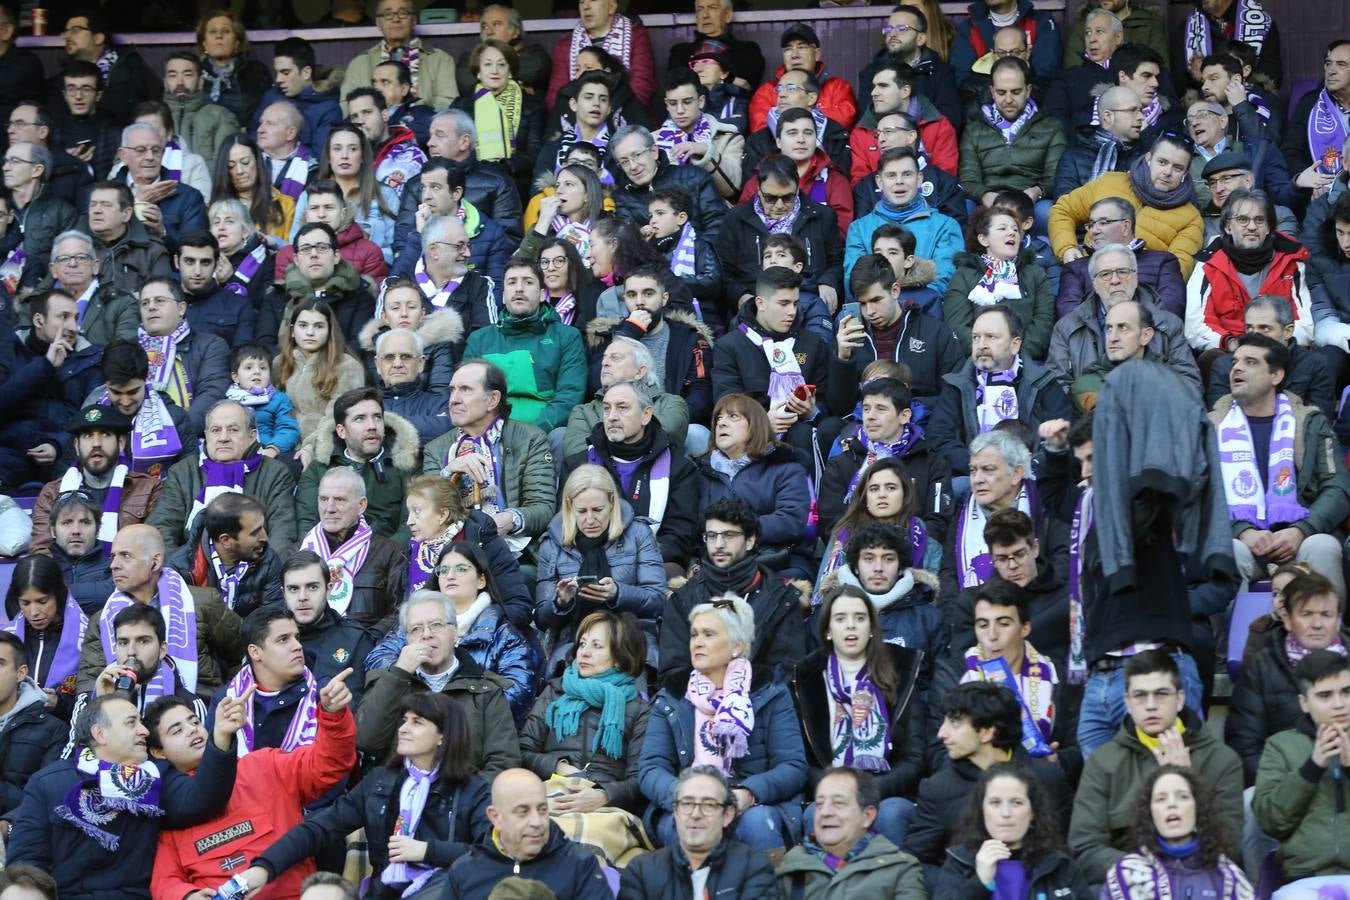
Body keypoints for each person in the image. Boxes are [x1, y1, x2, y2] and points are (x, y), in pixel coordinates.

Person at [246, 691, 491, 899]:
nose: (403, 729)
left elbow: (493, 853)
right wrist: (264, 867)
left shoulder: (473, 789)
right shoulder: (381, 781)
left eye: (417, 722)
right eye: (404, 721)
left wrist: (427, 851)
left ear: (443, 736)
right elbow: (319, 829)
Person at [3, 689, 243, 898]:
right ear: (100, 734)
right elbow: (26, 862)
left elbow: (201, 800)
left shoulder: (156, 775)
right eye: (131, 723)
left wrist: (220, 738)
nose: (144, 731)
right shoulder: (48, 782)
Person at [147, 663, 357, 899]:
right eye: (177, 731)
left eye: (195, 722)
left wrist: (332, 715)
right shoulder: (166, 806)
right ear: (158, 752)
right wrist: (187, 895)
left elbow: (328, 767)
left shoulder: (263, 765)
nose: (192, 731)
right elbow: (164, 881)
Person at [640, 595, 808, 850]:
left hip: (751, 802)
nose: (697, 642)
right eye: (694, 634)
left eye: (708, 634)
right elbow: (651, 768)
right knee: (682, 823)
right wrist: (688, 796)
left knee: (757, 823)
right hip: (687, 797)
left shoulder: (770, 692)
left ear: (737, 646)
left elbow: (793, 766)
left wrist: (748, 793)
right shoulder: (672, 695)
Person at [1069, 649, 1243, 882]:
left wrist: (1188, 783)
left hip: (1199, 882)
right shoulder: (1103, 762)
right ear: (1127, 703)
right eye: (1140, 695)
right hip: (1129, 885)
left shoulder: (1222, 759)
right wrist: (1144, 871)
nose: (1150, 705)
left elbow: (1228, 847)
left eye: (1161, 694)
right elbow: (1085, 848)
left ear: (1180, 699)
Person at [1208, 333, 1349, 601]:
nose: (1236, 367)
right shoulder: (1210, 427)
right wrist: (1241, 531)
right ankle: (1228, 642)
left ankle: (1329, 642)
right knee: (1228, 551)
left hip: (1300, 536)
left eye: (1250, 362)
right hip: (1240, 539)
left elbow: (1338, 487)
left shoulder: (1310, 423)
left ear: (1276, 376)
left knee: (1322, 546)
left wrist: (1302, 530)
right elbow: (1197, 495)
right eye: (1235, 361)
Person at [786, 585, 926, 849]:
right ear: (828, 630)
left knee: (890, 814)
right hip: (828, 791)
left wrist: (872, 790)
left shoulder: (902, 669)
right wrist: (838, 791)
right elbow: (799, 759)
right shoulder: (804, 678)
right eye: (841, 619)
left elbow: (915, 757)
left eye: (859, 618)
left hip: (888, 793)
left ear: (872, 627)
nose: (851, 626)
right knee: (813, 814)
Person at [356, 589, 522, 777]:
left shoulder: (486, 691)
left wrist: (460, 798)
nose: (426, 634)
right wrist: (399, 673)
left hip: (464, 799)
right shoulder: (390, 681)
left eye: (436, 625)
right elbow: (366, 741)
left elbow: (503, 763)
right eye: (416, 629)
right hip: (399, 796)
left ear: (455, 632)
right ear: (407, 639)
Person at [903, 681, 1066, 869]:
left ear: (987, 732)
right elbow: (916, 863)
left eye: (954, 723)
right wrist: (955, 884)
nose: (941, 733)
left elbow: (1064, 848)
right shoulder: (938, 789)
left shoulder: (1047, 777)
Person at [77, 522, 243, 699]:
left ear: (155, 562)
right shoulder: (101, 620)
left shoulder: (203, 602)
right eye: (113, 557)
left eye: (125, 556)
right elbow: (89, 686)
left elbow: (243, 653)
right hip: (128, 719)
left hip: (198, 718)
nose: (114, 565)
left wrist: (227, 698)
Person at [535, 462, 666, 672]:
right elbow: (542, 617)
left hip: (631, 638)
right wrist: (561, 602)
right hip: (575, 643)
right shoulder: (552, 543)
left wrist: (617, 594)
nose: (590, 520)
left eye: (597, 510)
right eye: (581, 511)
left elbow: (658, 601)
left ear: (612, 502)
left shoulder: (639, 533)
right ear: (569, 507)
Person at [422, 360, 558, 553]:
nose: (453, 399)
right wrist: (448, 472)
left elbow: (543, 508)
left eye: (466, 390)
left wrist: (508, 520)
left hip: (514, 551)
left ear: (493, 400)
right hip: (452, 552)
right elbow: (425, 513)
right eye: (452, 390)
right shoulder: (435, 449)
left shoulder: (530, 439)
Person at [928, 306, 1073, 476]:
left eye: (991, 337)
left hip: (1030, 477)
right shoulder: (957, 384)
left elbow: (1064, 436)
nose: (981, 345)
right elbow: (939, 440)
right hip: (973, 478)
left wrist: (1022, 469)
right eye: (976, 338)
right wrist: (982, 467)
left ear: (1015, 345)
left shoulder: (1043, 382)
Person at [1252, 650, 1350, 893]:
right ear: (1304, 703)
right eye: (1325, 695)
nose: (1340, 704)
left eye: (1347, 692)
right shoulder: (1280, 746)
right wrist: (1312, 768)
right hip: (1303, 882)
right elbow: (1270, 820)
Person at [145, 400, 299, 555]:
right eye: (216, 430)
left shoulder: (275, 473)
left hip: (254, 567)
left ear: (252, 436)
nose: (223, 437)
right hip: (190, 569)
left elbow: (282, 536)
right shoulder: (183, 471)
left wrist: (260, 574)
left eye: (233, 430)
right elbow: (162, 528)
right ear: (206, 435)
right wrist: (180, 573)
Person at [713, 267, 833, 463]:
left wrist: (811, 411)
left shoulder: (812, 343)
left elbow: (825, 402)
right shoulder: (729, 346)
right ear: (760, 303)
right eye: (783, 303)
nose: (792, 311)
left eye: (795, 303)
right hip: (749, 440)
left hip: (801, 435)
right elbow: (726, 404)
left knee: (803, 432)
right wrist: (762, 423)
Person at [1047, 244, 1200, 397]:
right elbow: (1057, 389)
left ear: (1136, 277)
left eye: (1123, 272)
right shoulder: (1067, 328)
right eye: (1105, 274)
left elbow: (1190, 384)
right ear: (1094, 282)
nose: (1115, 280)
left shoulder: (1168, 325)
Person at [818, 376, 952, 544]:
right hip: (855, 558)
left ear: (904, 416)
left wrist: (896, 549)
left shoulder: (932, 463)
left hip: (917, 557)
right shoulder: (841, 465)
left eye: (881, 409)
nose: (870, 416)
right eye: (866, 409)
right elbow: (832, 526)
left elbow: (938, 523)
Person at [1051, 132, 1204, 279]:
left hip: (1141, 289)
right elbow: (1063, 210)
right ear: (1148, 158)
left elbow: (1175, 272)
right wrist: (1066, 249)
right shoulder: (1111, 182)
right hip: (1086, 274)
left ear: (1185, 174)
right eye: (1162, 162)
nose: (1167, 172)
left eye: (1177, 168)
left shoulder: (1191, 219)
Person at [440, 768, 612, 899]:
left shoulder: (580, 864)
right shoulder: (464, 871)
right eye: (523, 812)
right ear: (495, 817)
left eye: (542, 809)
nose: (536, 822)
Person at [464, 257, 586, 435]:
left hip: (543, 437)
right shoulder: (479, 340)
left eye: (528, 282)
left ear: (543, 294)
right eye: (512, 282)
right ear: (504, 295)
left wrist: (529, 434)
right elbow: (467, 394)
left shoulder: (567, 337)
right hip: (487, 435)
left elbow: (569, 398)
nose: (519, 288)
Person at [697, 394, 813, 577]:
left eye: (733, 416)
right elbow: (694, 527)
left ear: (756, 425)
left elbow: (791, 520)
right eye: (719, 418)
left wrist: (736, 531)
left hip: (777, 562)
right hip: (717, 564)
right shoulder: (701, 472)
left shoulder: (784, 466)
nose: (721, 423)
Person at [1186, 189, 1314, 355]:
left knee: (1313, 360)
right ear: (1227, 227)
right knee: (1212, 359)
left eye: (1260, 220)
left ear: (1269, 227)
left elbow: (1305, 324)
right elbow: (1195, 327)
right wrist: (1231, 343)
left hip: (1279, 349)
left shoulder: (1291, 262)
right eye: (1243, 220)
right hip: (1229, 350)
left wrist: (1269, 344)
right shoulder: (1208, 265)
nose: (1252, 227)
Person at [619, 763, 777, 898]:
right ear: (675, 811)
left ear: (727, 815)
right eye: (687, 804)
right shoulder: (642, 871)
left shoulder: (753, 867)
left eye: (708, 805)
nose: (695, 814)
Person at [0, 290, 105, 490]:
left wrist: (58, 444)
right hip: (9, 453)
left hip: (65, 457)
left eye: (75, 318)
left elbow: (90, 416)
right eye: (63, 317)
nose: (73, 327)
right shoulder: (8, 349)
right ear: (39, 321)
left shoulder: (90, 358)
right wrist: (45, 365)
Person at [934, 762, 1088, 896]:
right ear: (981, 810)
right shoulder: (959, 862)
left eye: (1017, 802)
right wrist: (980, 883)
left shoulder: (1059, 865)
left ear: (1033, 811)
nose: (1005, 813)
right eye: (995, 802)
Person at [1102, 764, 1253, 898]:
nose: (1172, 804)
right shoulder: (1125, 874)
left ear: (1198, 808)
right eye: (1161, 799)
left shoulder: (1228, 877)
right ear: (1149, 813)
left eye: (1182, 797)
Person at [720, 153, 845, 313]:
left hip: (809, 304)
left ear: (798, 187)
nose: (779, 205)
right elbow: (724, 273)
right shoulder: (736, 220)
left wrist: (828, 283)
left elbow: (836, 262)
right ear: (758, 188)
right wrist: (741, 297)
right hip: (756, 306)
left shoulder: (822, 216)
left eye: (788, 198)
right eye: (771, 198)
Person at [28, 403, 159, 555]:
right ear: (77, 446)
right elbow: (41, 552)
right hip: (65, 577)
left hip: (124, 576)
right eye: (88, 436)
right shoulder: (52, 493)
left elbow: (150, 551)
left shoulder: (149, 489)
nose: (96, 444)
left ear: (121, 443)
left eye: (104, 434)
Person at [775, 766, 926, 898]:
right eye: (820, 804)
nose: (825, 812)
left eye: (838, 803)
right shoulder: (790, 868)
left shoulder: (899, 869)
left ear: (868, 816)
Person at [297, 386, 419, 542]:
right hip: (331, 558)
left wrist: (381, 557)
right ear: (341, 431)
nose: (372, 426)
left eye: (377, 417)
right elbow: (307, 524)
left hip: (388, 557)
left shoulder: (406, 467)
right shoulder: (318, 470)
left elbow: (410, 525)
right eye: (360, 419)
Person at [296, 469, 406, 629]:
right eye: (324, 499)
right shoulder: (298, 553)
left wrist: (363, 641)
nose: (330, 508)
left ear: (361, 505)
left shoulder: (390, 553)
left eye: (339, 499)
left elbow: (400, 614)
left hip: (366, 648)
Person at [845, 146, 962, 295]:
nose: (899, 181)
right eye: (891, 175)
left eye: (907, 174)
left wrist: (905, 308)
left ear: (919, 179)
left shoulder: (945, 226)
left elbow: (945, 281)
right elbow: (855, 284)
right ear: (879, 182)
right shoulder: (859, 229)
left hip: (926, 311)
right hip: (873, 312)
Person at [943, 206, 1056, 359]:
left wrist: (1017, 357)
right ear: (983, 239)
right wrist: (986, 354)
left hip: (1024, 362)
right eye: (1002, 228)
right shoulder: (964, 274)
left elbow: (1044, 320)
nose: (1012, 233)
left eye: (1015, 230)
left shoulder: (1034, 273)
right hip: (977, 362)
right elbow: (958, 324)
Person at [958, 57, 1065, 215]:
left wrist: (1037, 191)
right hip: (989, 201)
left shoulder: (1051, 127)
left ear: (1028, 90)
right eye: (1001, 92)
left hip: (1032, 201)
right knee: (964, 208)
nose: (1008, 99)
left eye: (1016, 92)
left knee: (1048, 212)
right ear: (992, 92)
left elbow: (1056, 176)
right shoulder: (974, 130)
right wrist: (984, 195)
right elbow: (968, 179)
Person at [1054, 196, 1187, 318]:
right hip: (1093, 341)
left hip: (1149, 339)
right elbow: (1068, 315)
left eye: (1103, 222)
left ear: (1126, 226)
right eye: (1091, 224)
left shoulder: (1163, 261)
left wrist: (1132, 333)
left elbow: (1170, 309)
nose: (1094, 231)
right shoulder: (1076, 268)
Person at [1206, 294, 1336, 416]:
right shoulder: (1224, 366)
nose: (1255, 335)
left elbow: (1317, 424)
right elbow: (1218, 421)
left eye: (1265, 328)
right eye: (1249, 328)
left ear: (1288, 331)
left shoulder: (1315, 365)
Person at [287, 125, 397, 267]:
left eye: (352, 149)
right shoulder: (307, 196)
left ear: (363, 155)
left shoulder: (386, 195)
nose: (344, 155)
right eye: (337, 149)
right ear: (328, 156)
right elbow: (294, 245)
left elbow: (395, 250)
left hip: (371, 273)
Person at [564, 337, 690, 459]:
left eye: (615, 357)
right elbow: (577, 455)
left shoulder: (670, 404)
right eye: (604, 358)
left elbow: (663, 436)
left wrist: (608, 435)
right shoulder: (583, 412)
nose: (604, 363)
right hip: (601, 478)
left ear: (640, 371)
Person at [449, 40, 546, 194]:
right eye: (487, 64)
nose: (494, 70)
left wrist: (506, 165)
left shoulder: (532, 105)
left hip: (514, 182)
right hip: (470, 182)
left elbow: (535, 154)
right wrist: (480, 167)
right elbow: (451, 151)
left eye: (502, 64)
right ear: (478, 72)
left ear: (510, 71)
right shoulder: (462, 106)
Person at [167, 491, 281, 621]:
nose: (264, 537)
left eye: (262, 527)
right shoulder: (179, 569)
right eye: (255, 532)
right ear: (226, 540)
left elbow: (272, 620)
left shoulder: (268, 560)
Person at [271, 297, 369, 444]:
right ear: (292, 331)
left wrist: (310, 446)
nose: (310, 332)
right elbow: (271, 411)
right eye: (303, 326)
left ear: (330, 331)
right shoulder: (280, 363)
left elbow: (338, 417)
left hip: (327, 445)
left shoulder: (347, 366)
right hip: (284, 443)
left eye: (318, 326)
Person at [2, 554, 90, 713]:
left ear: (59, 595)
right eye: (25, 603)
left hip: (62, 733)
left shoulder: (88, 636)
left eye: (42, 601)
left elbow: (93, 703)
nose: (33, 612)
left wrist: (59, 704)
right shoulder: (6, 639)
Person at [609, 126, 726, 243]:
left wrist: (697, 255)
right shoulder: (623, 197)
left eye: (637, 155)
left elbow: (718, 225)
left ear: (654, 151)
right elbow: (628, 243)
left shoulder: (694, 177)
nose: (633, 166)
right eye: (624, 162)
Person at [92, 339, 191, 477]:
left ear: (146, 378)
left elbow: (190, 476)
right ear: (105, 385)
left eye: (133, 392)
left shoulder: (175, 418)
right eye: (116, 392)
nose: (125, 402)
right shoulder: (90, 418)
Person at [340, 0, 459, 114]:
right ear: (378, 23)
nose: (396, 19)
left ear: (413, 21)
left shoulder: (440, 59)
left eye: (403, 13)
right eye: (388, 14)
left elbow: (447, 102)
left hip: (423, 129)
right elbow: (346, 106)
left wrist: (415, 118)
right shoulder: (359, 63)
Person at [0, 626, 69, 821]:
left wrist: (8, 826)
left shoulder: (54, 731)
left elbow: (49, 798)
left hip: (17, 840)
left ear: (21, 673)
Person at [51, 10, 162, 125]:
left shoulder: (132, 69)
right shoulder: (61, 78)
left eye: (76, 30)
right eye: (65, 32)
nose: (67, 36)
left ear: (98, 38)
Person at [357, 276, 461, 396]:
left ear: (422, 313)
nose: (404, 314)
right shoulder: (372, 346)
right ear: (384, 316)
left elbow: (440, 396)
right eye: (395, 308)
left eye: (411, 307)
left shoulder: (440, 345)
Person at [546, 0, 656, 110]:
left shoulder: (635, 36)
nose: (586, 7)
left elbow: (642, 87)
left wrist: (607, 114)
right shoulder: (565, 46)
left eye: (593, 0)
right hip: (576, 120)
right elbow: (554, 97)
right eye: (581, 2)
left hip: (626, 118)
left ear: (611, 6)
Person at [654, 70, 744, 203]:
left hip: (715, 217)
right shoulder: (651, 142)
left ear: (701, 101)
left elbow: (732, 188)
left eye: (687, 102)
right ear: (666, 105)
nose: (680, 110)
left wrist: (706, 153)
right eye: (673, 103)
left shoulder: (728, 137)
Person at [41, 230, 137, 349]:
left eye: (81, 257)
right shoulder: (35, 304)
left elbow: (125, 356)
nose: (72, 263)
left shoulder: (122, 303)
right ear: (53, 269)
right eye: (64, 259)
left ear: (95, 266)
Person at [2, 142, 78, 291]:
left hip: (44, 297)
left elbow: (68, 262)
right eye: (5, 161)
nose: (5, 167)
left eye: (15, 161)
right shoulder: (2, 207)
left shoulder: (62, 212)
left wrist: (38, 294)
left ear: (37, 170)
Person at [250, 37, 342, 156]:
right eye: (277, 72)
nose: (278, 79)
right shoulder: (271, 96)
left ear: (306, 72)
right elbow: (253, 133)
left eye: (286, 73)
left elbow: (320, 157)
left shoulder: (329, 108)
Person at [1283, 40, 1350, 203]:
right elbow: (1290, 152)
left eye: (1341, 64)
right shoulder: (1309, 104)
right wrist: (1310, 178)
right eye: (1328, 63)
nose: (1331, 70)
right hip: (1318, 195)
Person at [85, 181, 174, 298]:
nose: (96, 210)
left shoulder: (152, 251)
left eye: (106, 205)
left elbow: (161, 299)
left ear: (126, 214)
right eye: (93, 204)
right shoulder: (76, 249)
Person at [1175, 0, 1282, 93]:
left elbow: (1272, 75)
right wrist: (1196, 77)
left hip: (1251, 101)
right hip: (1205, 106)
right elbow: (1178, 83)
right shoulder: (1188, 29)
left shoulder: (1261, 24)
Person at [7, 103, 95, 212]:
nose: (10, 130)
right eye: (10, 124)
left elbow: (85, 215)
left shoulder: (74, 169)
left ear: (42, 132)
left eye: (20, 124)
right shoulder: (3, 168)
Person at [211, 134, 297, 246]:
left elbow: (294, 252)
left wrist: (274, 243)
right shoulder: (213, 209)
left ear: (258, 161)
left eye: (245, 162)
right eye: (231, 166)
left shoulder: (286, 205)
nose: (239, 171)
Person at [161, 50, 240, 166]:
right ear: (165, 83)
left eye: (187, 75)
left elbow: (225, 168)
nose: (180, 82)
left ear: (200, 81)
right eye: (173, 75)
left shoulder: (219, 116)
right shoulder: (154, 119)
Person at [196, 10, 272, 126]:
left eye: (226, 31)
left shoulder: (256, 72)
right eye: (212, 31)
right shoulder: (194, 72)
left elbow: (265, 115)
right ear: (204, 43)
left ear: (237, 42)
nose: (219, 36)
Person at [227, 344, 300, 460]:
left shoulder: (279, 399)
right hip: (235, 454)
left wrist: (273, 449)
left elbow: (288, 428)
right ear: (235, 377)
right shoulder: (228, 402)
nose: (257, 372)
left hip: (268, 453)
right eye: (248, 368)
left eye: (263, 368)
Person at [468, 4, 554, 97]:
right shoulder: (471, 57)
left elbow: (534, 69)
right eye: (484, 26)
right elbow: (466, 79)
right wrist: (517, 86)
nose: (488, 32)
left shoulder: (534, 58)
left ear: (515, 32)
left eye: (497, 24)